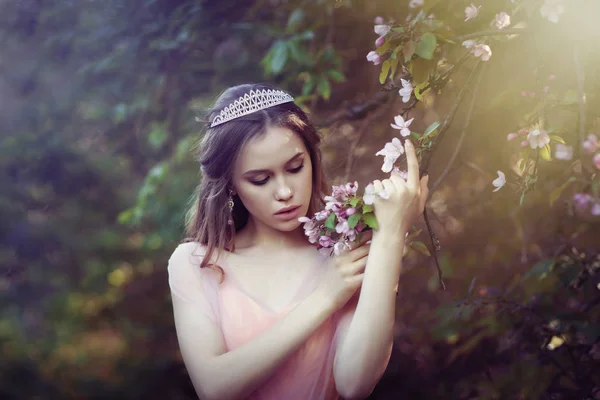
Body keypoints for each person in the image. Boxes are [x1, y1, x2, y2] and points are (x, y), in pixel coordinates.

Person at [167, 83, 429, 400]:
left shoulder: (341, 253)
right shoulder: (198, 263)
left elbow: (354, 383)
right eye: (260, 179)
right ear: (232, 184)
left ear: (312, 159)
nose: (284, 191)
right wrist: (325, 297)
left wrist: (390, 235)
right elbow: (214, 387)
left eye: (295, 168)